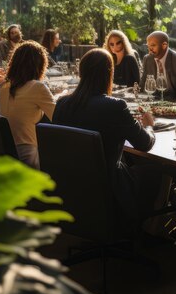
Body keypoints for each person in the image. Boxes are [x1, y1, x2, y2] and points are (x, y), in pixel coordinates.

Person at [53, 48, 159, 221]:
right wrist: (149, 126)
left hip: (71, 183)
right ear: (109, 73)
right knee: (154, 171)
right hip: (108, 184)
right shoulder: (115, 106)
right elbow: (145, 144)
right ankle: (144, 229)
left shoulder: (63, 103)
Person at [0, 40, 56, 169]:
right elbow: (58, 116)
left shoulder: (4, 86)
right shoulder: (37, 87)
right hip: (27, 156)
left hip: (7, 152)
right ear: (40, 64)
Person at [139, 30, 176, 101]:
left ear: (164, 45)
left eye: (153, 45)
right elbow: (143, 85)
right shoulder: (147, 59)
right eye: (148, 46)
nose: (150, 49)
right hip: (154, 103)